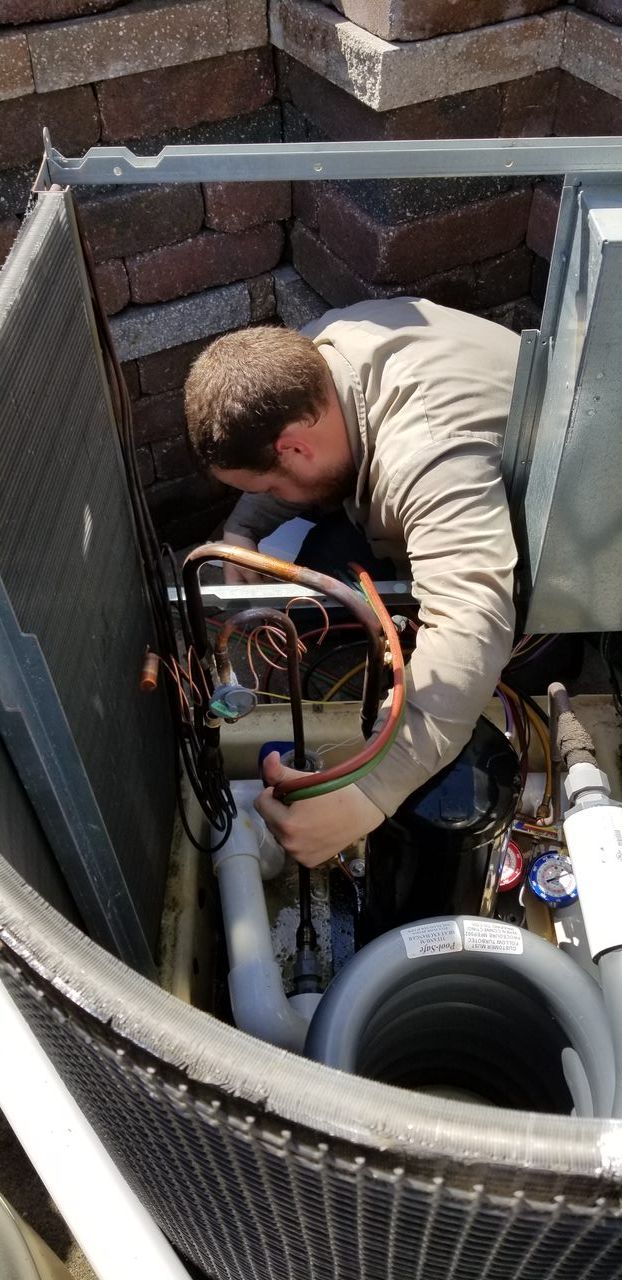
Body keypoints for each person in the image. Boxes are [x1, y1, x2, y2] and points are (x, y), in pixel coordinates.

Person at [184, 297, 520, 868]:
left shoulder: (429, 456)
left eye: (268, 489)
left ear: (295, 446)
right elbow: (294, 463)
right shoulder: (323, 351)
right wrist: (243, 528)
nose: (270, 499)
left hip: (553, 531)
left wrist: (368, 794)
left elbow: (474, 619)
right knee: (324, 568)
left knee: (501, 662)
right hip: (461, 469)